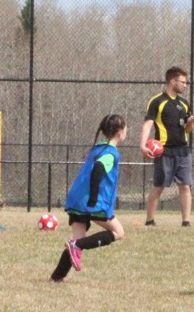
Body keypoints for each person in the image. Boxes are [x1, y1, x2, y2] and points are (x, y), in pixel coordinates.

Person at [49, 114, 128, 283]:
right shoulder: (111, 153)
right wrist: (93, 198)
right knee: (118, 232)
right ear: (120, 132)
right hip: (92, 202)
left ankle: (57, 277)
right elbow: (98, 169)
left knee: (77, 241)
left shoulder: (97, 148)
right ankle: (77, 246)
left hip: (75, 199)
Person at [140, 66, 194, 227]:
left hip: (183, 151)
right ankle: (150, 220)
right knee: (159, 187)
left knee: (185, 186)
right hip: (164, 151)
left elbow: (187, 129)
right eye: (183, 82)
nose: (185, 85)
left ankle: (186, 222)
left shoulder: (184, 104)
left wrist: (190, 124)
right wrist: (143, 146)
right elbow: (147, 125)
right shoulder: (157, 101)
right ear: (173, 81)